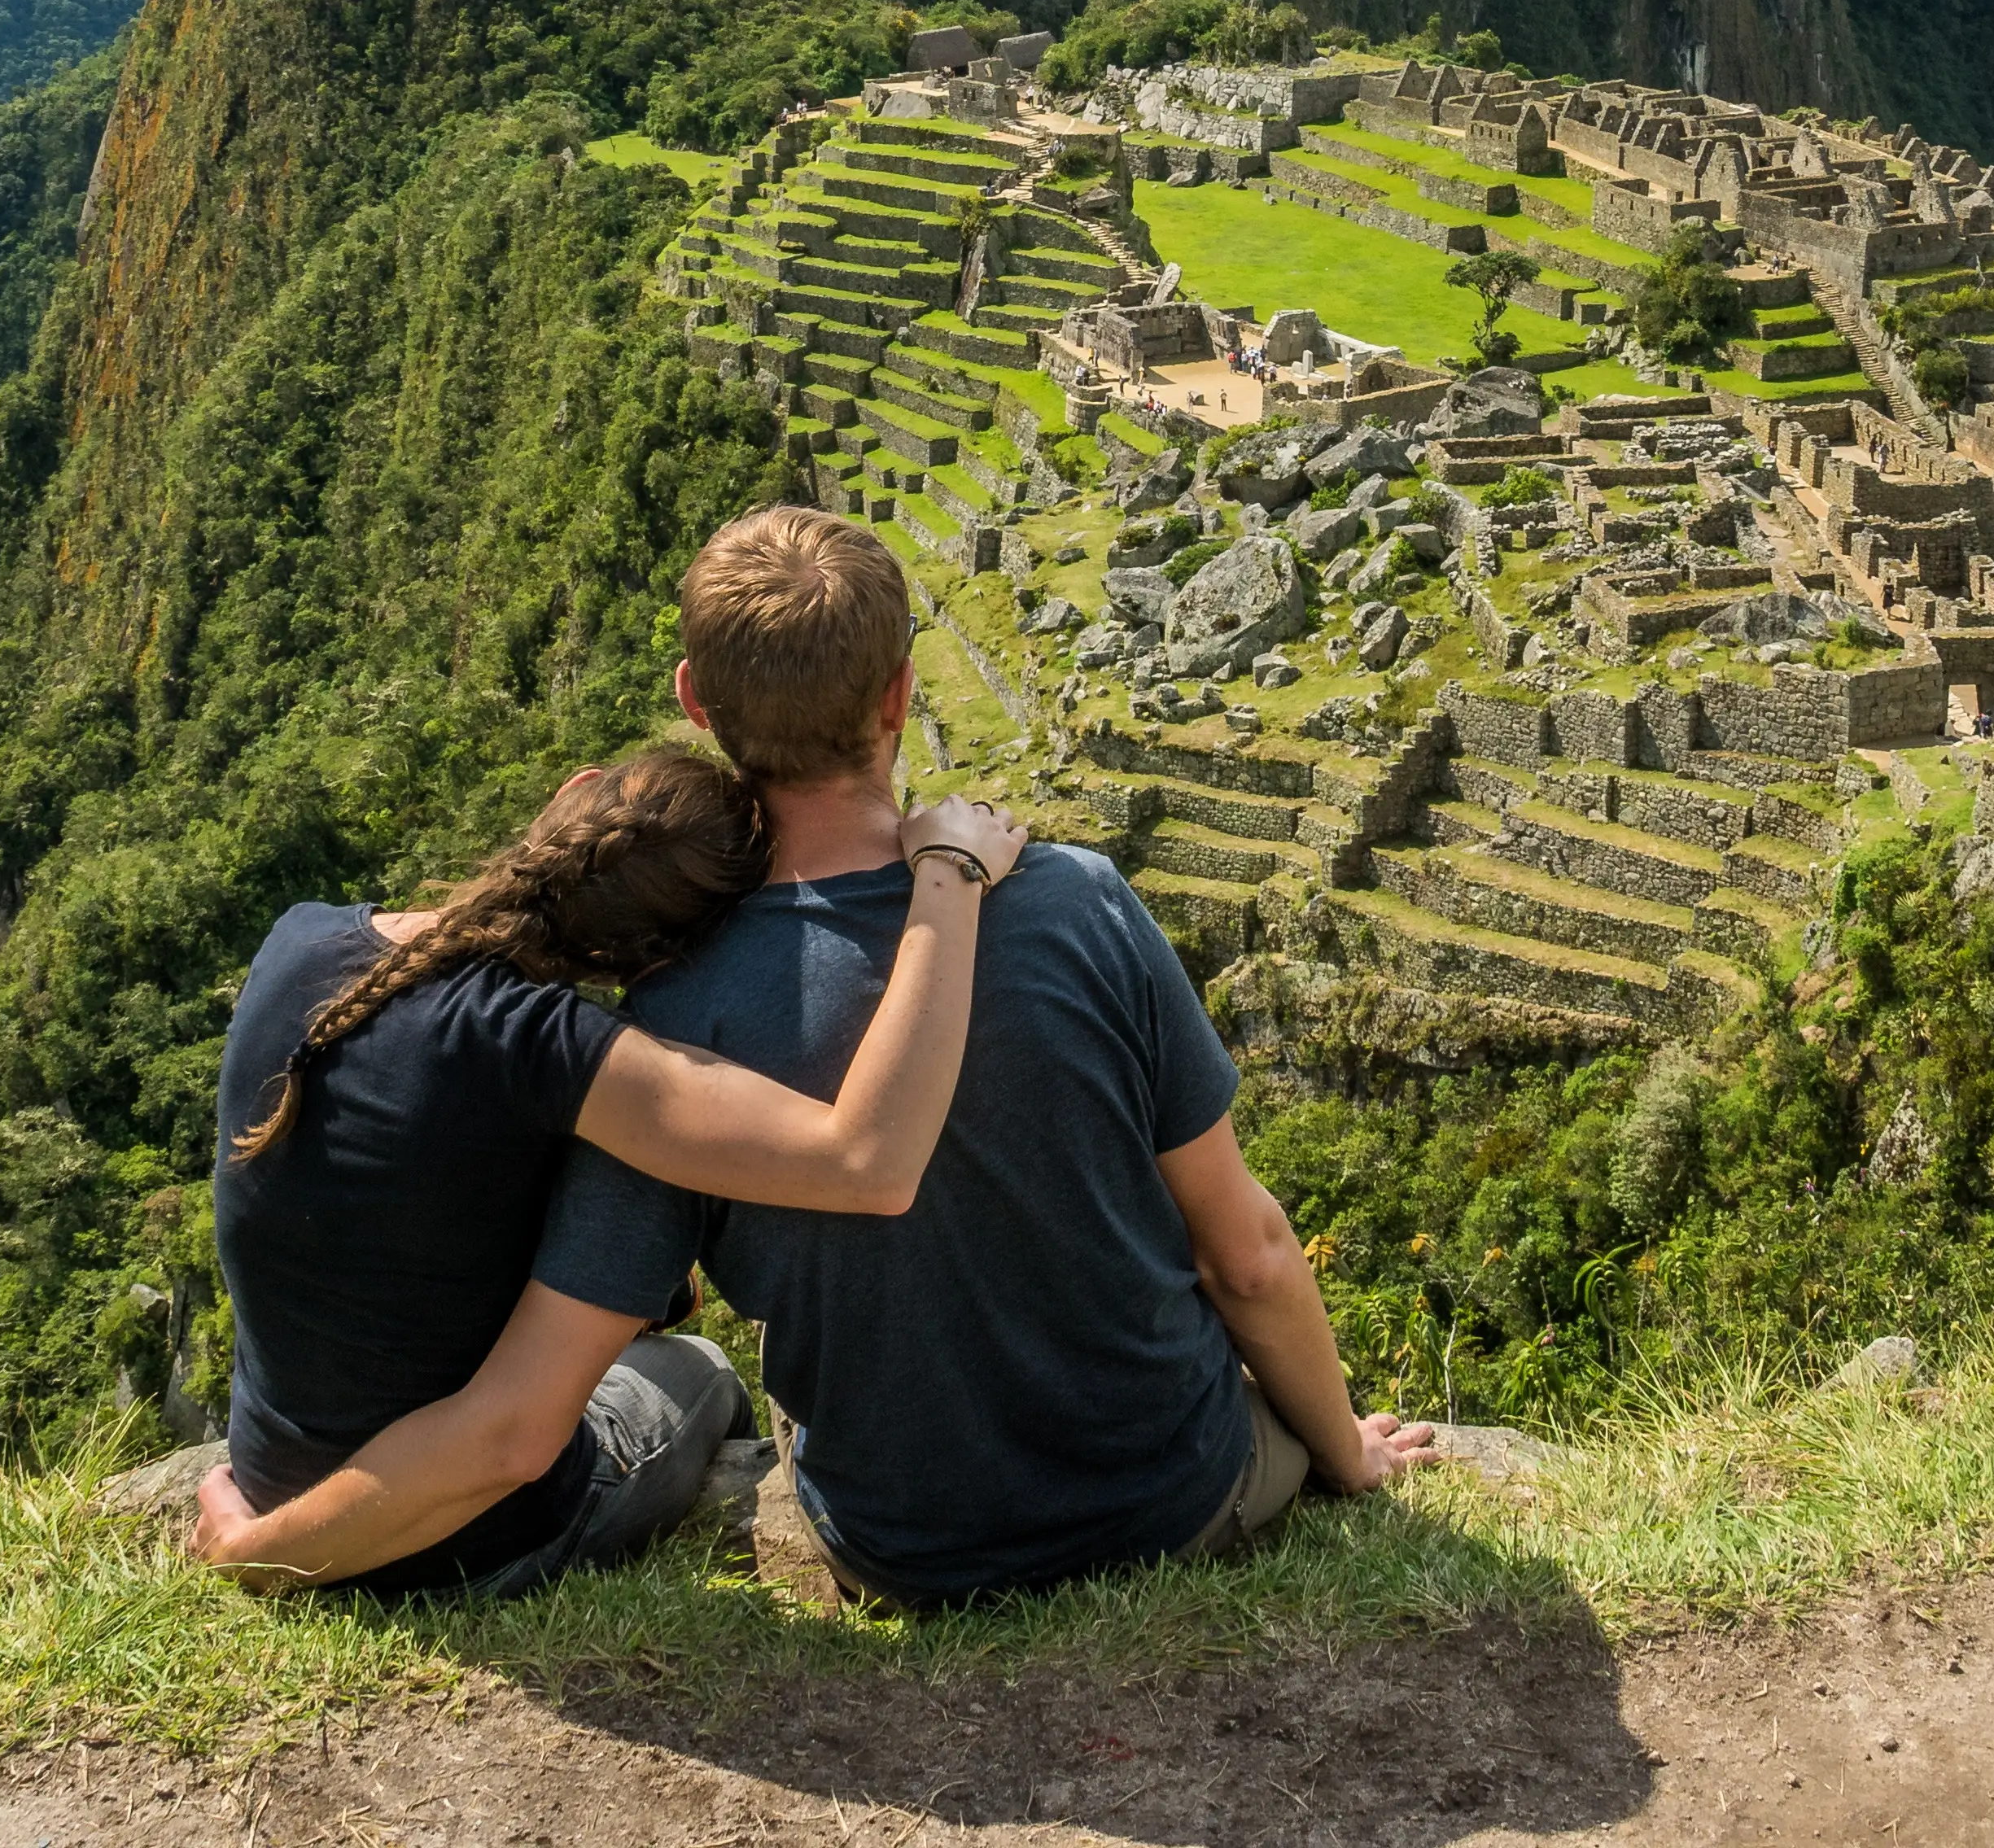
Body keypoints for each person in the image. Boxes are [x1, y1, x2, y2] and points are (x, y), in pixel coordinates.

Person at [531, 505, 1433, 1606]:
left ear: (695, 704)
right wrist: (1349, 1452)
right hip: (1175, 1502)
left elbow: (601, 1315)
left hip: (908, 1550)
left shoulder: (668, 1007)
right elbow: (1243, 1250)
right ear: (901, 695)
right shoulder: (1078, 905)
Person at [182, 740, 1021, 1597]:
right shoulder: (553, 1052)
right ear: (663, 956)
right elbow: (868, 1159)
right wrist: (949, 874)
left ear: (574, 792)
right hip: (452, 1545)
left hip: (269, 1474)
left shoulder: (299, 937)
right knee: (699, 1370)